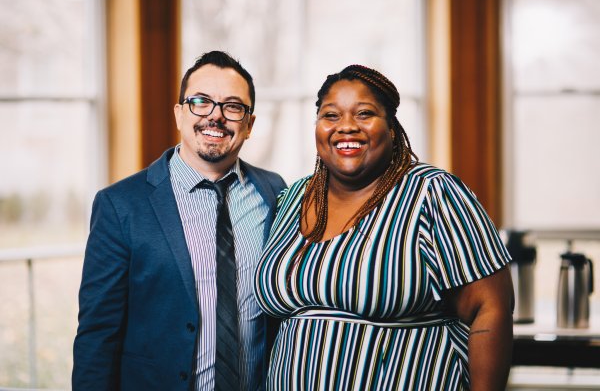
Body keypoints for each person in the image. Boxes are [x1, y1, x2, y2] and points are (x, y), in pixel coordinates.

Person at [254, 64, 514, 390]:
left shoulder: (432, 193)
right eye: (330, 115)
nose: (346, 127)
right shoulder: (292, 197)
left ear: (391, 127)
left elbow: (491, 309)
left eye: (364, 114)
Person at [73, 50, 286, 391]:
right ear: (179, 114)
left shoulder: (274, 192)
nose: (215, 117)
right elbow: (98, 335)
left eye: (233, 106)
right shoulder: (120, 205)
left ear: (249, 125)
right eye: (201, 101)